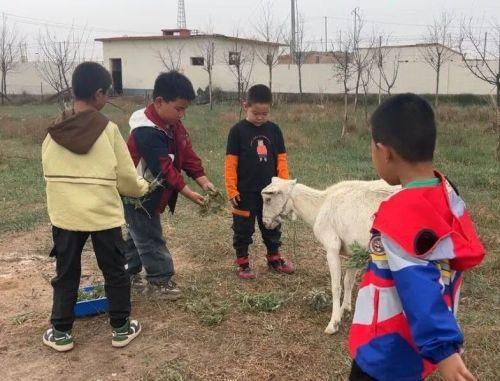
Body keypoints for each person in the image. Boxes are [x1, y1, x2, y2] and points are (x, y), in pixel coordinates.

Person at [348, 93, 485, 381]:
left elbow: (416, 282)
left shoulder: (401, 215)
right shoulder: (447, 193)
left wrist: (444, 351)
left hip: (384, 351)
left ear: (385, 152)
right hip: (415, 348)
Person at [42, 62, 150, 351]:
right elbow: (127, 177)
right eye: (108, 94)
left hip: (65, 217)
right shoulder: (109, 130)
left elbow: (48, 174)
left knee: (66, 273)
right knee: (115, 270)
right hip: (104, 217)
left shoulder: (53, 131)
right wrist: (143, 188)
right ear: (99, 94)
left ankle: (61, 332)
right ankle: (121, 329)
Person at [124, 71, 216, 298]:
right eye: (179, 108)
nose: (182, 114)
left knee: (138, 236)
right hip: (137, 195)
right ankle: (159, 281)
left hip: (152, 193)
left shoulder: (172, 124)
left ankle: (126, 273)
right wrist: (188, 192)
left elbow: (186, 151)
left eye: (185, 109)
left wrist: (203, 180)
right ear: (159, 102)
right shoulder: (145, 131)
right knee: (150, 237)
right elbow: (163, 169)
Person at [224, 84, 295, 279]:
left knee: (272, 226)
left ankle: (274, 257)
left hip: (270, 192)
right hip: (244, 192)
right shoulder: (237, 131)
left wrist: (283, 185)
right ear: (245, 105)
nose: (261, 117)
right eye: (256, 113)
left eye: (265, 113)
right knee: (243, 229)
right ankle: (243, 263)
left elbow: (281, 159)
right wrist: (232, 189)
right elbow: (231, 163)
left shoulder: (274, 130)